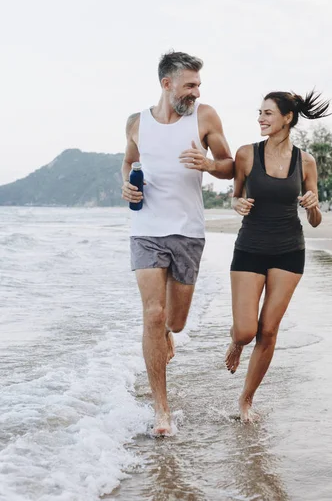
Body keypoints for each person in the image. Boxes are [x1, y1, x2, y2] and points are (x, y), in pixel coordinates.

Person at [121, 51, 233, 435]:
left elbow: (230, 164)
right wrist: (126, 186)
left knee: (175, 321)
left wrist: (209, 164)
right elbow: (129, 163)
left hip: (188, 231)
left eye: (198, 85)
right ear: (166, 84)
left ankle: (169, 332)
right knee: (152, 314)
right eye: (190, 85)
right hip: (146, 228)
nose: (196, 91)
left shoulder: (205, 116)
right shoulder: (136, 123)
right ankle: (161, 411)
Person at [225, 90, 331, 422]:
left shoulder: (306, 161)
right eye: (260, 112)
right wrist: (236, 204)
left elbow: (315, 220)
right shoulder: (245, 155)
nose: (261, 118)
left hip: (289, 250)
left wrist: (313, 207)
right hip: (250, 247)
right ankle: (237, 344)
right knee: (245, 331)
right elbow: (236, 196)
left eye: (268, 113)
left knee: (268, 330)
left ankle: (246, 399)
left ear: (287, 118)